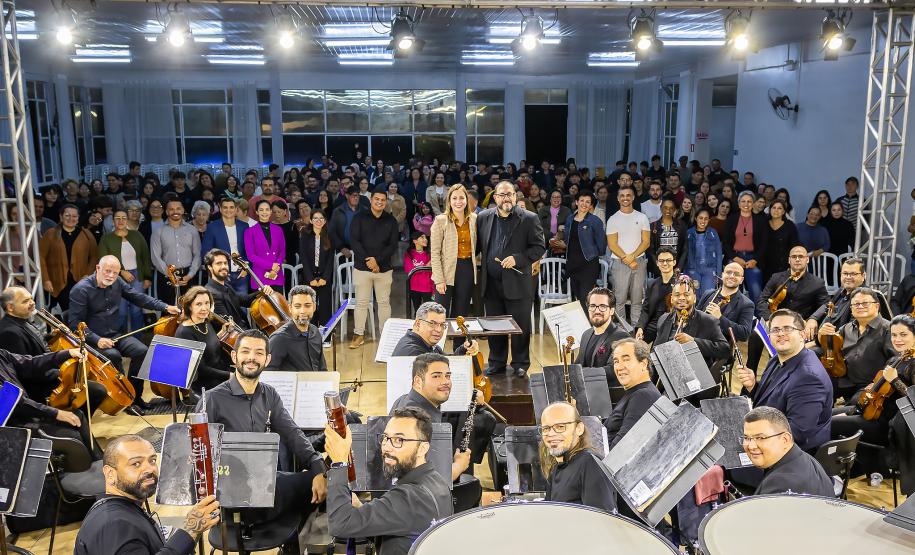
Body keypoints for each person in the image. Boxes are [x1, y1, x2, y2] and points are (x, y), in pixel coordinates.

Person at [197, 329, 326, 547]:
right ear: (234, 356)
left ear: (267, 360)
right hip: (231, 499)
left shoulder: (269, 394)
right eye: (245, 351)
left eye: (258, 353)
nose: (251, 358)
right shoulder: (212, 400)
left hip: (265, 484)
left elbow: (293, 434)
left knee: (323, 478)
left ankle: (294, 544)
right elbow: (199, 460)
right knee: (318, 486)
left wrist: (317, 466)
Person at [324, 406, 452, 555]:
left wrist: (339, 462)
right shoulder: (439, 483)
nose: (386, 447)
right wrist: (361, 508)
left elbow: (340, 524)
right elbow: (402, 522)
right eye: (386, 437)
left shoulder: (408, 498)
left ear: (422, 448)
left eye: (399, 440)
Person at [74, 435, 220, 555]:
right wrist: (191, 529)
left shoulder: (119, 508)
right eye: (136, 464)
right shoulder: (114, 526)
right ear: (110, 474)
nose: (149, 469)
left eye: (152, 460)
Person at [69, 255, 179, 414]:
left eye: (115, 273)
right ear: (98, 268)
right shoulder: (81, 290)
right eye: (107, 271)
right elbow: (74, 324)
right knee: (113, 356)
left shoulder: (118, 282)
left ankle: (135, 397)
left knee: (142, 351)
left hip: (115, 335)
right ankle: (126, 402)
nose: (111, 276)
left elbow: (139, 298)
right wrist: (97, 339)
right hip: (92, 341)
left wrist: (165, 307)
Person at [737, 309, 833, 452]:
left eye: (787, 328)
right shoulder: (777, 359)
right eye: (775, 330)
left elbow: (797, 433)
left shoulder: (809, 378)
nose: (781, 333)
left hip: (791, 452)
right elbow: (766, 399)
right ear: (769, 337)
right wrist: (752, 387)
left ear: (802, 334)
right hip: (767, 433)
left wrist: (752, 438)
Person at [476, 181, 545, 378]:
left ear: (515, 196)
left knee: (520, 326)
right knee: (494, 325)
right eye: (502, 194)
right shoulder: (483, 218)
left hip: (518, 282)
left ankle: (520, 363)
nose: (506, 198)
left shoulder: (529, 218)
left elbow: (539, 247)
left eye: (510, 194)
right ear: (495, 197)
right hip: (491, 283)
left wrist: (518, 258)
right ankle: (496, 362)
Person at [389, 353, 479, 481]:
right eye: (436, 376)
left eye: (447, 376)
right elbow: (435, 480)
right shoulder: (420, 418)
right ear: (418, 381)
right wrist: (460, 465)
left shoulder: (403, 399)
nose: (445, 382)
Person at [747, 246, 829, 371]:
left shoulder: (817, 283)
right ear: (789, 260)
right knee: (755, 336)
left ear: (807, 260)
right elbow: (762, 300)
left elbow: (826, 305)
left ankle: (777, 374)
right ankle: (749, 377)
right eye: (794, 257)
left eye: (801, 256)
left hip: (799, 326)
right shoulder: (777, 278)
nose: (797, 259)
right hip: (776, 322)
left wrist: (813, 319)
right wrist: (769, 319)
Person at [815, 287, 895, 403]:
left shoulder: (889, 329)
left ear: (877, 306)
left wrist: (878, 383)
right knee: (817, 391)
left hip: (871, 384)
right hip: (846, 380)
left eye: (865, 303)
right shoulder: (846, 328)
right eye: (856, 304)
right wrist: (822, 335)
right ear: (851, 309)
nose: (860, 307)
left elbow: (894, 361)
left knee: (855, 404)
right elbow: (831, 349)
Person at [540, 401, 617, 512]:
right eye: (546, 429)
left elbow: (601, 520)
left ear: (579, 429)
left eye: (560, 426)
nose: (551, 434)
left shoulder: (590, 463)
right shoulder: (557, 467)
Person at [742, 407, 834, 496]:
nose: (751, 446)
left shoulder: (778, 486)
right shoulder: (806, 459)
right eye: (746, 438)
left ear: (785, 440)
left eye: (760, 438)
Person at [349, 187, 400, 349]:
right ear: (371, 200)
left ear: (386, 202)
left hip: (384, 269)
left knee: (384, 303)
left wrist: (377, 261)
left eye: (383, 200)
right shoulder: (359, 217)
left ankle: (385, 336)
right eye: (377, 199)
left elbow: (393, 245)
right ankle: (358, 335)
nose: (379, 202)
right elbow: (354, 241)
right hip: (362, 268)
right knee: (361, 303)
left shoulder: (391, 221)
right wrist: (369, 261)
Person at [654, 275, 730, 374]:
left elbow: (725, 349)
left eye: (686, 294)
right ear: (672, 299)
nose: (681, 298)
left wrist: (694, 342)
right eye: (677, 295)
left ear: (694, 298)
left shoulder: (708, 321)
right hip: (666, 374)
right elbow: (656, 350)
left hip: (695, 375)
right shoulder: (663, 319)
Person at [805, 257, 890, 339]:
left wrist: (818, 340)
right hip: (826, 339)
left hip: (840, 345)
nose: (848, 277)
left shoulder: (864, 298)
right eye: (845, 273)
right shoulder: (842, 290)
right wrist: (813, 318)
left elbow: (852, 333)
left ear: (863, 276)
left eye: (853, 274)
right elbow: (828, 305)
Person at [98, 209, 153, 332]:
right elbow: (104, 260)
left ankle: (137, 341)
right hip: (116, 278)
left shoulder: (136, 235)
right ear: (113, 221)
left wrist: (147, 277)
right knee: (120, 311)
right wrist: (122, 271)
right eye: (117, 218)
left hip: (137, 276)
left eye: (123, 218)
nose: (121, 221)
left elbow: (145, 256)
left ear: (127, 220)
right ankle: (121, 341)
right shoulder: (106, 239)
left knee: (136, 310)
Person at [430, 184, 478, 322]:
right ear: (449, 201)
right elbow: (435, 253)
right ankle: (438, 344)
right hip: (446, 271)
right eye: (454, 198)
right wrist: (439, 279)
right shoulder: (440, 221)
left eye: (462, 198)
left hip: (466, 269)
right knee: (440, 315)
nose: (458, 201)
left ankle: (459, 344)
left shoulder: (474, 219)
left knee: (461, 313)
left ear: (467, 200)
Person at [39, 203, 98, 311]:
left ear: (78, 218)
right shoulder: (51, 234)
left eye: (74, 216)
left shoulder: (86, 234)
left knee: (79, 312)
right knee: (60, 315)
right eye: (67, 215)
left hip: (80, 282)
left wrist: (87, 275)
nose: (71, 218)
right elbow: (41, 257)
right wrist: (46, 280)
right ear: (61, 217)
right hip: (56, 282)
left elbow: (94, 256)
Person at [605, 338, 663, 448]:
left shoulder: (643, 396)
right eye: (616, 361)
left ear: (643, 364)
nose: (619, 367)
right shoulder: (636, 392)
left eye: (626, 359)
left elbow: (620, 450)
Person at [606, 186, 651, 328]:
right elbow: (612, 244)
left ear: (633, 197)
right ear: (618, 198)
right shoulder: (613, 219)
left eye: (628, 195)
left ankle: (636, 330)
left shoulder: (642, 217)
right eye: (622, 195)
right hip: (619, 262)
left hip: (639, 261)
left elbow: (646, 241)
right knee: (619, 300)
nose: (625, 198)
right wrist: (627, 259)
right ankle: (622, 330)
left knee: (637, 299)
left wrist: (632, 257)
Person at [173, 286, 232, 392]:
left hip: (220, 372)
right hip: (205, 383)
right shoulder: (184, 332)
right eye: (199, 304)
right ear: (189, 306)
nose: (204, 308)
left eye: (207, 303)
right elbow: (201, 370)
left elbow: (207, 344)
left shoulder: (204, 321)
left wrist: (221, 333)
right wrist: (230, 375)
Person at [203, 248, 274, 330]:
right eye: (219, 263)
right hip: (238, 337)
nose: (224, 266)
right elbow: (228, 326)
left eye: (225, 263)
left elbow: (244, 300)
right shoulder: (211, 293)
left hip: (245, 331)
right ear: (209, 267)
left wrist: (262, 291)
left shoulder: (226, 286)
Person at [576, 288, 631, 390]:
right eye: (592, 306)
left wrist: (580, 372)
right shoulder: (586, 334)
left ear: (611, 311)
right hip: (586, 390)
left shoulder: (621, 337)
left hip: (607, 395)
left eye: (602, 307)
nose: (597, 311)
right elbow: (577, 365)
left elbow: (612, 370)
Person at [560, 192, 607, 311]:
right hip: (573, 264)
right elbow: (567, 239)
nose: (584, 204)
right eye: (582, 200)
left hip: (588, 265)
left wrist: (591, 252)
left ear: (591, 205)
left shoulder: (595, 221)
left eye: (588, 202)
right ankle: (581, 327)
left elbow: (602, 246)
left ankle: (589, 328)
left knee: (585, 298)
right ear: (576, 202)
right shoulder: (570, 219)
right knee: (577, 298)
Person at [266, 285, 327, 372]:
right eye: (297, 306)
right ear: (290, 308)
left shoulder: (315, 332)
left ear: (314, 307)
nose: (302, 311)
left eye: (307, 306)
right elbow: (267, 375)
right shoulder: (279, 338)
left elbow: (322, 369)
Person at [151, 197, 201, 302]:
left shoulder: (192, 230)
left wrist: (190, 275)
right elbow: (155, 257)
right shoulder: (158, 231)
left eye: (178, 208)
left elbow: (197, 254)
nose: (175, 211)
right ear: (166, 211)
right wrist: (169, 274)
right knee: (168, 313)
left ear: (183, 210)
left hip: (188, 276)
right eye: (171, 209)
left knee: (190, 312)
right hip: (166, 276)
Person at [721, 191, 768, 302]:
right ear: (738, 203)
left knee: (756, 292)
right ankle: (734, 317)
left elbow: (764, 243)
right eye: (743, 201)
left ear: (753, 203)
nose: (746, 204)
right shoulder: (732, 219)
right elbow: (726, 242)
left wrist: (755, 259)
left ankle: (758, 317)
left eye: (749, 201)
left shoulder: (760, 220)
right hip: (735, 258)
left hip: (753, 259)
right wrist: (735, 258)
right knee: (732, 293)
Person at [391, 302, 479, 358]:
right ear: (418, 324)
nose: (439, 329)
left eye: (442, 325)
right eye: (432, 324)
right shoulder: (415, 353)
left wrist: (465, 347)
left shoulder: (426, 343)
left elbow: (448, 360)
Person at [201, 196, 249, 296]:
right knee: (222, 307)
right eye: (225, 207)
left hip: (241, 274)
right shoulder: (212, 227)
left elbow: (250, 250)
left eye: (231, 207)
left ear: (236, 209)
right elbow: (206, 252)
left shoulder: (244, 226)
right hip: (221, 274)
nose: (228, 210)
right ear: (221, 209)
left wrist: (247, 267)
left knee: (241, 308)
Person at [697, 262, 755, 343]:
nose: (731, 276)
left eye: (736, 274)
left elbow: (744, 334)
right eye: (728, 272)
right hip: (697, 342)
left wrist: (720, 318)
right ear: (722, 275)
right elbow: (695, 317)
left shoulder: (747, 304)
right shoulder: (708, 293)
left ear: (741, 280)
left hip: (719, 350)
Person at [299, 208, 334, 327]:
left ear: (325, 221)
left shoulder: (329, 235)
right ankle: (311, 332)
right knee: (309, 306)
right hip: (309, 277)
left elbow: (330, 259)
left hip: (325, 277)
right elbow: (303, 257)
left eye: (321, 218)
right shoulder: (305, 234)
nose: (318, 221)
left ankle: (326, 335)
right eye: (315, 218)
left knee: (325, 307)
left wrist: (325, 277)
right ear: (311, 220)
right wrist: (310, 278)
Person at [634, 247, 677, 344]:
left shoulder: (680, 284)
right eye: (661, 261)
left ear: (674, 262)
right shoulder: (652, 284)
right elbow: (645, 309)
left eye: (668, 260)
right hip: (653, 324)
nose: (665, 263)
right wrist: (640, 327)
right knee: (635, 347)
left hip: (671, 325)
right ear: (657, 263)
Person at [243, 199, 286, 292]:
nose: (264, 212)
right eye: (261, 210)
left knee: (277, 305)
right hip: (259, 276)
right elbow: (251, 256)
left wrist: (275, 268)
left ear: (271, 212)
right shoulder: (249, 232)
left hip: (276, 275)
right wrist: (271, 266)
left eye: (267, 209)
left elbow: (282, 252)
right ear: (257, 212)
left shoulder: (278, 230)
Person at [684, 208, 722, 295]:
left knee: (708, 295)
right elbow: (684, 253)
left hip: (709, 270)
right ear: (696, 218)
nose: (703, 221)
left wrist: (718, 274)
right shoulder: (689, 233)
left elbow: (719, 253)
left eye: (706, 218)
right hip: (692, 270)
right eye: (701, 218)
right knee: (694, 295)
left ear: (709, 220)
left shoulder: (713, 233)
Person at [649, 198, 688, 276]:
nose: (668, 210)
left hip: (676, 268)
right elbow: (651, 250)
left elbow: (685, 248)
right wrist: (659, 267)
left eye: (671, 208)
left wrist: (679, 267)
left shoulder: (681, 225)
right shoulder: (653, 226)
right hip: (659, 268)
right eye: (665, 207)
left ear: (674, 210)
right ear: (661, 208)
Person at [538, 190, 572, 254]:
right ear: (550, 199)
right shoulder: (543, 211)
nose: (556, 199)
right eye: (554, 197)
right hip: (545, 241)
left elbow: (570, 226)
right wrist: (551, 237)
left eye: (558, 197)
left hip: (561, 242)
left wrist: (559, 234)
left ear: (561, 199)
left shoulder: (567, 211)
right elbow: (538, 226)